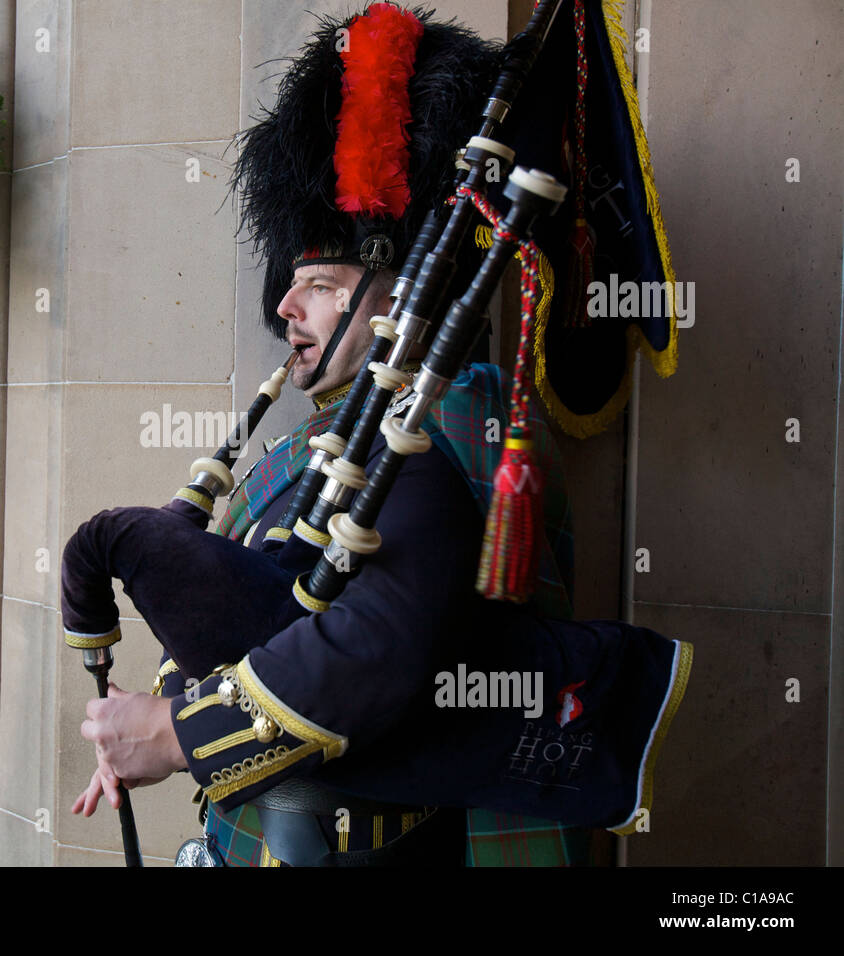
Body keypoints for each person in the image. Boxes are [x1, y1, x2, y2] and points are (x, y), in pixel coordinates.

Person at [70, 3, 596, 866]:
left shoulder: (462, 422)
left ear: (394, 294)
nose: (284, 308)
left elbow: (378, 643)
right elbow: (245, 605)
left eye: (317, 283)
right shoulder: (291, 455)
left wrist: (174, 735)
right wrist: (144, 716)